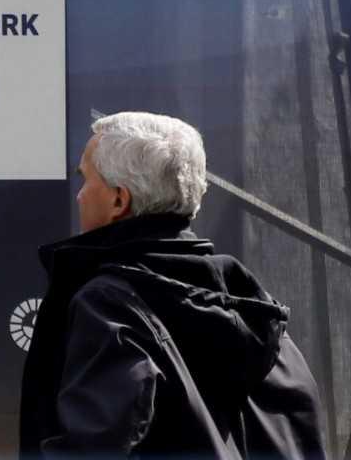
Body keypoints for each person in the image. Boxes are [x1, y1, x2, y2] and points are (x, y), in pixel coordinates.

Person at [19, 112, 327, 457]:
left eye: (85, 179)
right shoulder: (259, 313)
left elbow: (94, 448)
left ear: (119, 200)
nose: (79, 196)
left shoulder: (109, 304)